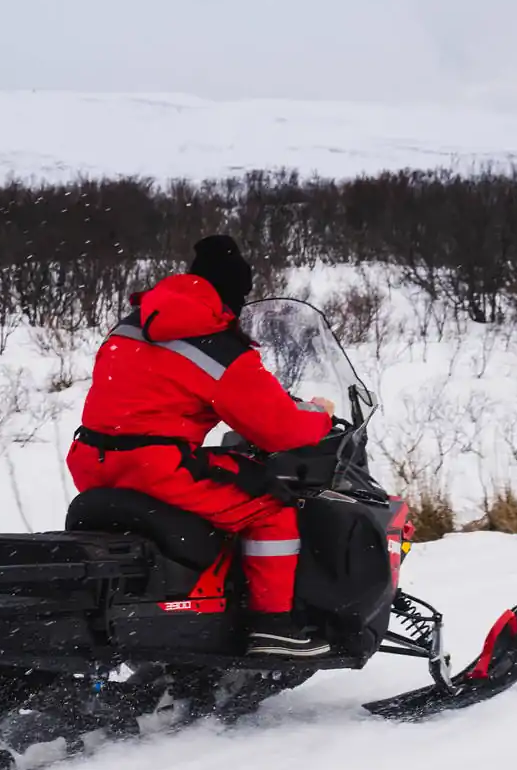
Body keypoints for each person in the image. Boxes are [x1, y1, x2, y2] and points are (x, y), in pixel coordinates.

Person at [69, 235, 334, 657]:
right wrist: (320, 415)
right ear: (231, 298)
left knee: (226, 473)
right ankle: (273, 627)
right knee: (270, 504)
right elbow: (280, 430)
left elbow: (151, 394)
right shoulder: (216, 346)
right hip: (157, 468)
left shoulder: (131, 325)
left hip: (93, 461)